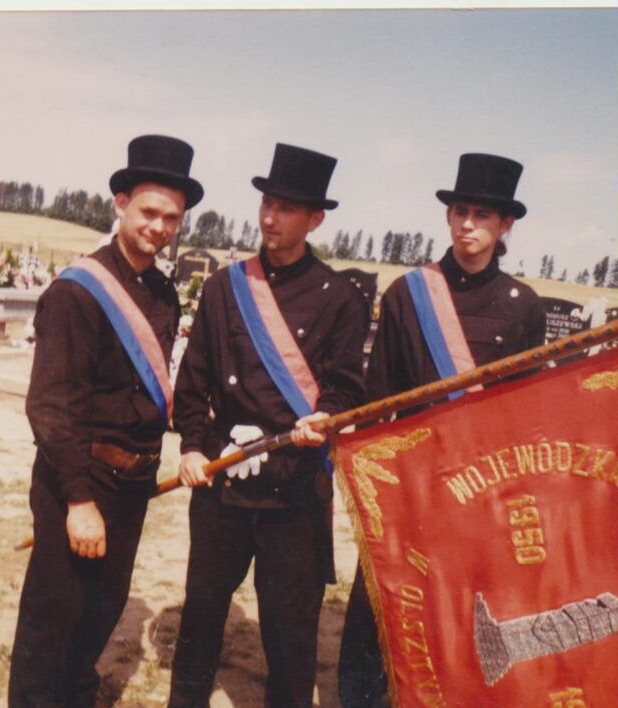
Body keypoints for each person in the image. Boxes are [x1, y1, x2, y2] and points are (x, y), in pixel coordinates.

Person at [337, 152, 546, 707]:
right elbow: (378, 398)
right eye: (460, 212)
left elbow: (526, 412)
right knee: (379, 607)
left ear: (506, 225)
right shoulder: (407, 294)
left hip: (481, 489)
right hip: (411, 485)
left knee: (463, 615)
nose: (467, 224)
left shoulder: (523, 306)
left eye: (482, 215)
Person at [170, 143, 369, 707]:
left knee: (290, 634)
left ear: (315, 219)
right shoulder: (224, 287)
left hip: (294, 491)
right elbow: (193, 381)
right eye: (267, 204)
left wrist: (323, 416)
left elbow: (345, 386)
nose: (269, 218)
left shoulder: (340, 299)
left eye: (286, 208)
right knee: (201, 615)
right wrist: (191, 446)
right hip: (223, 485)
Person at [8, 134, 204, 707]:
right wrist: (78, 500)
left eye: (172, 218)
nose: (159, 227)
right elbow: (52, 406)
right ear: (121, 203)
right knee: (52, 624)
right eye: (149, 212)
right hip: (81, 480)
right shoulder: (79, 292)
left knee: (99, 615)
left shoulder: (163, 293)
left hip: (133, 484)